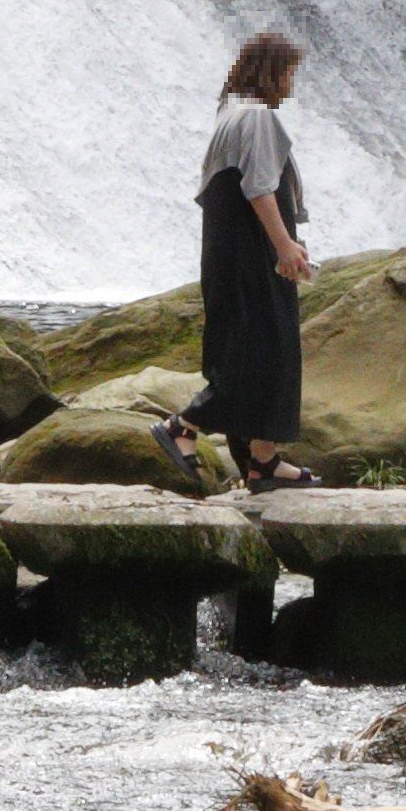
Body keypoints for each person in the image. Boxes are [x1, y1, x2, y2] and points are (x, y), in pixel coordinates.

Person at [159, 31, 319, 492]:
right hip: (253, 253)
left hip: (229, 252)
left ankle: (264, 461)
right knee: (266, 349)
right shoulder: (256, 118)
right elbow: (260, 188)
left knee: (255, 347)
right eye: (289, 72)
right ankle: (183, 425)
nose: (291, 83)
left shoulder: (229, 114)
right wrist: (285, 246)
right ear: (271, 72)